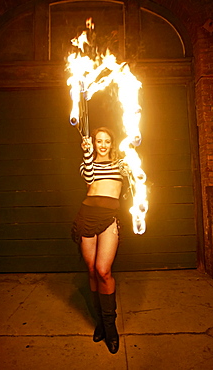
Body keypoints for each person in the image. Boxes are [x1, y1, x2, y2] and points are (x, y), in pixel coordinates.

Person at [72, 126, 128, 354]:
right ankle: (100, 323)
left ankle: (110, 326)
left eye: (106, 141)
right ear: (93, 143)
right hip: (87, 215)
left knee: (103, 270)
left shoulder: (121, 164)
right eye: (98, 141)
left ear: (112, 144)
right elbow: (89, 178)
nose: (103, 144)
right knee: (92, 269)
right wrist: (86, 153)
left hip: (108, 218)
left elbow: (135, 181)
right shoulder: (88, 163)